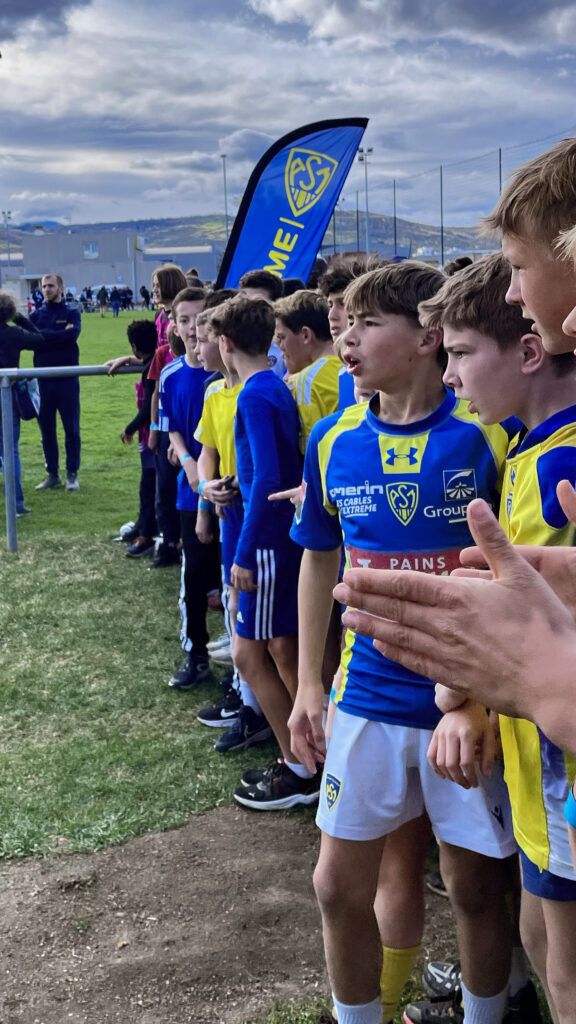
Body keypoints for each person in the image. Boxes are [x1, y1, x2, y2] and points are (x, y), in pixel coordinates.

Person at [289, 262, 518, 1024]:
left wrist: (480, 699)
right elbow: (318, 556)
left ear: (427, 338)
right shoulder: (331, 440)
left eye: (366, 323)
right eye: (344, 323)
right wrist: (309, 684)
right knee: (334, 885)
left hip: (468, 702)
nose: (346, 339)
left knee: (475, 887)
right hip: (367, 694)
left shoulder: (487, 434)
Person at [408, 251, 576, 1023]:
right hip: (536, 767)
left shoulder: (561, 466)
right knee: (538, 936)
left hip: (561, 773)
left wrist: (466, 696)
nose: (449, 376)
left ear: (530, 352)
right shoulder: (525, 445)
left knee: (565, 971)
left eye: (461, 354)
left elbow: (536, 629)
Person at [209, 295, 316, 810]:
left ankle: (303, 766)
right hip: (274, 533)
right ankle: (305, 760)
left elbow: (271, 478)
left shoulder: (254, 394)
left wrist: (245, 554)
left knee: (266, 655)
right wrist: (240, 483)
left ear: (226, 343)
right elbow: (266, 471)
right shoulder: (271, 385)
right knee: (264, 653)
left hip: (268, 542)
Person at [162, 288, 218, 689]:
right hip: (190, 489)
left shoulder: (224, 372)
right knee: (194, 575)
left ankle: (240, 660)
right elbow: (173, 430)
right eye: (184, 320)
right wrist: (186, 461)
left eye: (200, 318)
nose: (193, 327)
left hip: (226, 488)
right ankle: (195, 653)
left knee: (229, 576)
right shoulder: (171, 375)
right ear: (175, 325)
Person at [106, 320, 159, 557]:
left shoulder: (150, 370)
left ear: (135, 347)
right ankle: (145, 527)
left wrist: (129, 428)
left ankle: (146, 534)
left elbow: (147, 408)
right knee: (151, 486)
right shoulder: (153, 363)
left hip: (151, 437)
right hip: (154, 435)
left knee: (148, 487)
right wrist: (128, 359)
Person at [30, 273, 82, 492]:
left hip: (67, 380)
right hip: (43, 382)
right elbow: (32, 341)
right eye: (44, 286)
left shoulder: (72, 312)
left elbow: (71, 336)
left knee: (72, 429)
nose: (47, 290)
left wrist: (43, 336)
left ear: (61, 288)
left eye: (51, 286)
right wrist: (58, 334)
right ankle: (53, 474)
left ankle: (72, 473)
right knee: (47, 431)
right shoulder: (35, 315)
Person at [274, 289, 341, 453]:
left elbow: (311, 451)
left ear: (305, 335)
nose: (280, 346)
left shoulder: (307, 380)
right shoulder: (350, 364)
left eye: (282, 338)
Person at [0, 291, 45, 516]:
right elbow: (39, 339)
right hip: (8, 394)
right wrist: (19, 318)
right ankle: (16, 503)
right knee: (11, 450)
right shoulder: (14, 333)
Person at [238, 269, 286, 378]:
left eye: (258, 302)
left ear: (277, 304)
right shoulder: (233, 346)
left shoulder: (287, 347)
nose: (250, 309)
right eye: (244, 302)